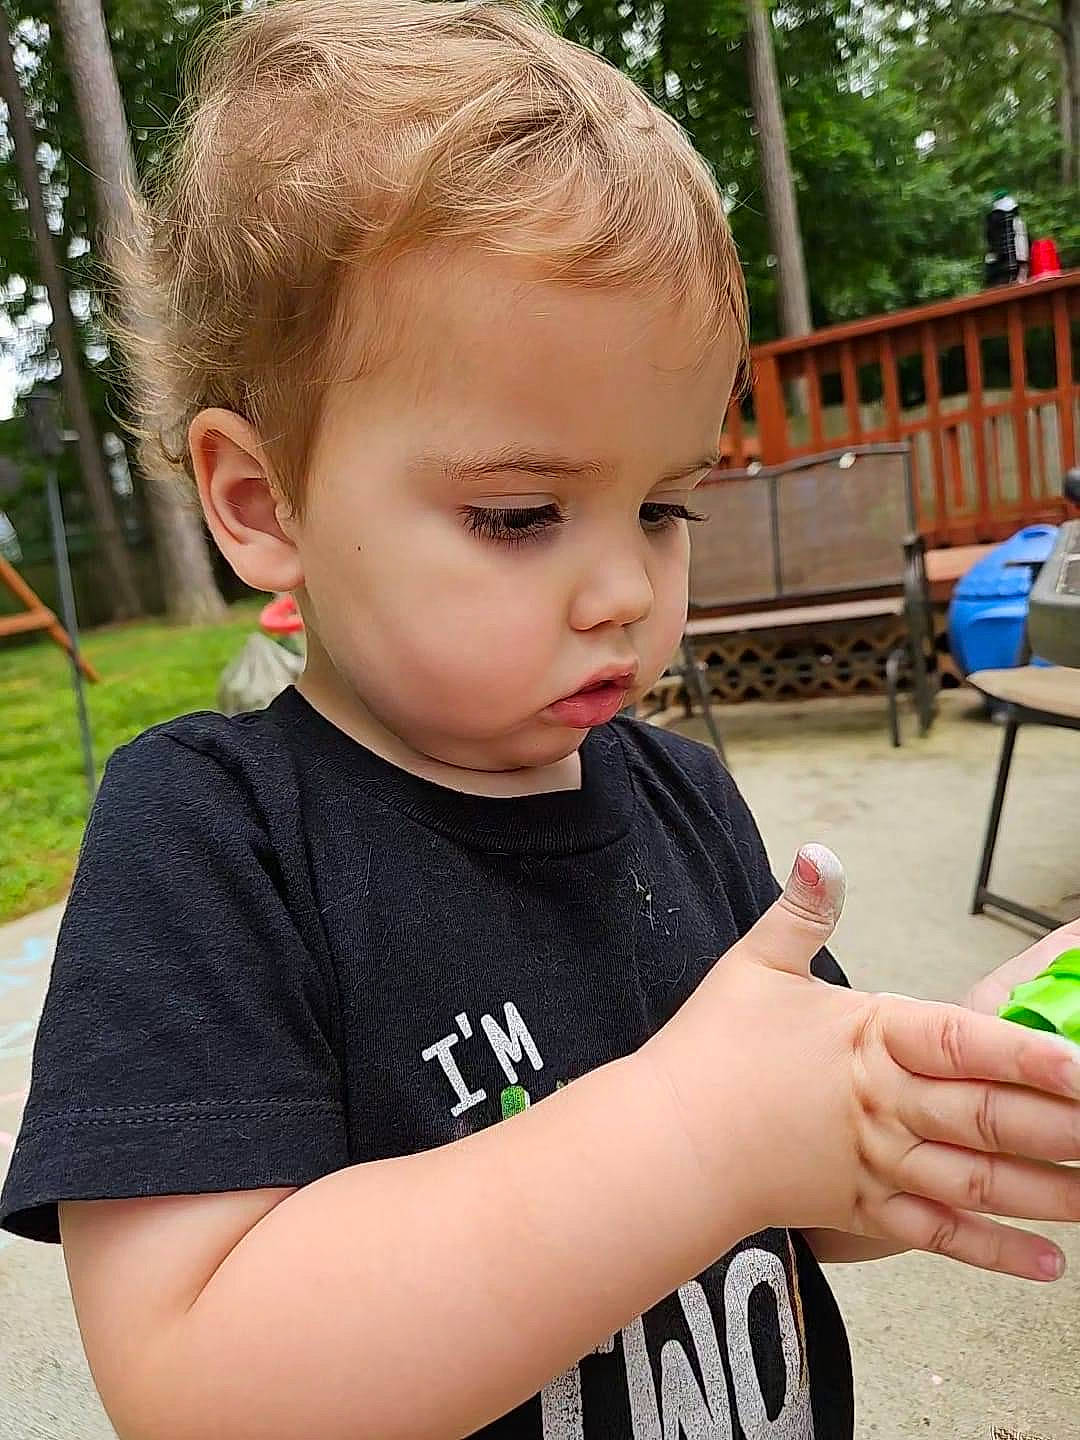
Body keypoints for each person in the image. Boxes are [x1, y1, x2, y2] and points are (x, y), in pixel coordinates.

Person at [3, 5, 1080, 1438]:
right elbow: (197, 1383)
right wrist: (695, 1140)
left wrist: (950, 1085)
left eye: (663, 504)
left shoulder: (681, 799)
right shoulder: (215, 837)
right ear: (263, 504)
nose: (628, 588)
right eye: (520, 515)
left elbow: (803, 1191)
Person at [985, 189, 1030, 286]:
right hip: (1015, 266)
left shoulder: (992, 218)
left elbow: (991, 244)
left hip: (1000, 268)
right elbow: (1022, 240)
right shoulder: (1016, 217)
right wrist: (1023, 264)